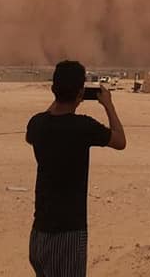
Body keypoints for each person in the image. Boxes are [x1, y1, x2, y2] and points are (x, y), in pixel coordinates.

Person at [26, 60, 127, 277]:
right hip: (69, 232)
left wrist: (60, 100)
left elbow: (46, 119)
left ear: (53, 89)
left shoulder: (37, 124)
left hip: (39, 232)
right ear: (81, 91)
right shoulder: (83, 127)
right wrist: (108, 104)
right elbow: (120, 141)